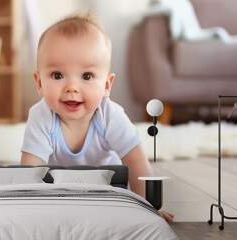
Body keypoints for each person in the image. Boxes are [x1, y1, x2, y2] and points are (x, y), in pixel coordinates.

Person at [20, 13, 174, 223]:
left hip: (106, 191)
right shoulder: (41, 116)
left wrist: (147, 208)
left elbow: (136, 160)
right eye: (57, 75)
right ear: (38, 82)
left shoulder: (109, 115)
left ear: (106, 86)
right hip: (58, 194)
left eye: (87, 76)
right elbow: (30, 170)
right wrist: (26, 212)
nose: (72, 88)